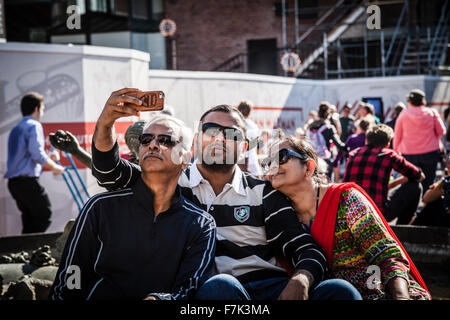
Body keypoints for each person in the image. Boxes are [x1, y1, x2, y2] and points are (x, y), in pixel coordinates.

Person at [91, 88, 359, 300]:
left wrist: (301, 279)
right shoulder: (169, 183)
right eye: (211, 130)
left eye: (230, 134)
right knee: (219, 288)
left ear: (243, 147)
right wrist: (106, 124)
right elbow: (110, 172)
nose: (219, 139)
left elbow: (305, 248)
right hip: (206, 293)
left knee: (339, 291)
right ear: (196, 140)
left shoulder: (263, 191)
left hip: (269, 288)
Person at [49, 111, 216, 300]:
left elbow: (190, 289)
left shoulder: (201, 224)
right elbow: (73, 274)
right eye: (145, 140)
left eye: (165, 140)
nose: (153, 145)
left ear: (185, 158)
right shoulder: (100, 208)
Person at [261, 136, 431, 300]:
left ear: (309, 167)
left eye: (281, 157)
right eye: (268, 162)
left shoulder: (347, 200)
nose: (273, 166)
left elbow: (387, 256)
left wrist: (401, 297)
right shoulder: (280, 216)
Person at [4, 92, 65, 234]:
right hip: (26, 182)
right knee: (44, 215)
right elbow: (37, 155)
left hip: (15, 183)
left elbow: (27, 155)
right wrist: (55, 167)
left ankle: (27, 252)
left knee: (30, 219)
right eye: (43, 109)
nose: (42, 113)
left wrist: (49, 158)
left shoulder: (16, 128)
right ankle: (31, 251)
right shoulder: (34, 125)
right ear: (37, 109)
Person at [344, 124, 425, 225]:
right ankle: (402, 228)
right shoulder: (388, 154)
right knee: (415, 186)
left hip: (351, 212)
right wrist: (400, 181)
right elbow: (418, 175)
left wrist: (392, 184)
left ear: (366, 141)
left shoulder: (353, 154)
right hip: (376, 213)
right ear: (387, 143)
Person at [393, 89, 446, 192]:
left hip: (408, 154)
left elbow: (397, 136)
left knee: (410, 181)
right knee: (429, 181)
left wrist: (396, 152)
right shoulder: (432, 113)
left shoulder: (403, 115)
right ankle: (427, 204)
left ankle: (413, 206)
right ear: (423, 100)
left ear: (409, 101)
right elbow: (441, 131)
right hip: (430, 152)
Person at [306, 102, 348, 178]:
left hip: (311, 158)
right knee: (325, 183)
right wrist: (348, 148)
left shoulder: (311, 126)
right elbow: (339, 144)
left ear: (318, 114)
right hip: (325, 159)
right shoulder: (328, 127)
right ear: (329, 115)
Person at [237, 100, 263, 177]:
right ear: (249, 112)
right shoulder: (254, 126)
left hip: (239, 159)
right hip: (251, 159)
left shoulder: (235, 124)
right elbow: (257, 144)